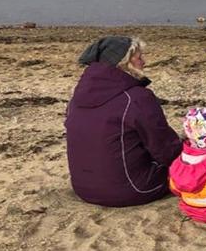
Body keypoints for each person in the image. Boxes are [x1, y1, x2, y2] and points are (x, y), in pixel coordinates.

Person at [65, 36, 182, 207]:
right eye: (139, 57)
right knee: (193, 163)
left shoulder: (76, 98)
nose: (144, 62)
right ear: (124, 62)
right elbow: (166, 150)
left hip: (83, 187)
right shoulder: (136, 98)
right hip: (130, 189)